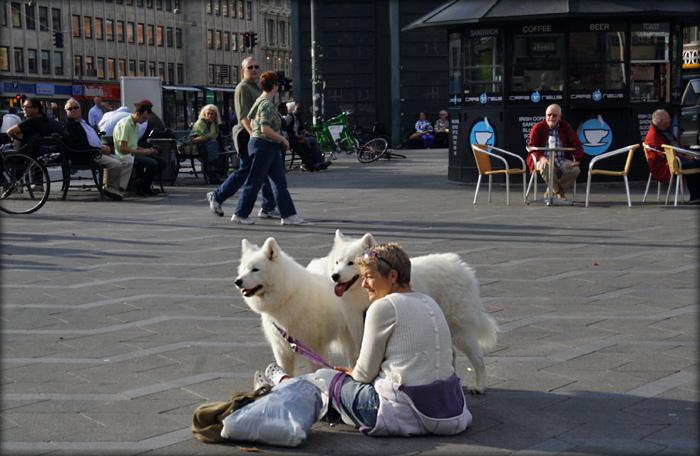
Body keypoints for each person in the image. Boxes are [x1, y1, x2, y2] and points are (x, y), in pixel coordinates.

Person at [255, 243, 471, 435]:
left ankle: (282, 386)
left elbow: (364, 375)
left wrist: (349, 373)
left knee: (324, 378)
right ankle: (284, 384)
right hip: (452, 411)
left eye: (369, 277)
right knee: (332, 379)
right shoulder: (429, 301)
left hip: (404, 413)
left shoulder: (383, 307)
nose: (365, 284)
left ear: (393, 276)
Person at [206, 56, 278, 220]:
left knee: (264, 169)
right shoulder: (242, 88)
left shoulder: (256, 88)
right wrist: (255, 135)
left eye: (256, 67)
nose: (253, 70)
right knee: (246, 170)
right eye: (249, 67)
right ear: (242, 71)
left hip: (256, 135)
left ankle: (268, 206)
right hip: (247, 135)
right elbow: (243, 116)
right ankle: (217, 196)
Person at [232, 71, 304, 225]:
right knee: (255, 181)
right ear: (275, 86)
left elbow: (251, 120)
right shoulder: (266, 105)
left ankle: (289, 215)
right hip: (264, 146)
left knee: (279, 181)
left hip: (264, 145)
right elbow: (265, 128)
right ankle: (240, 213)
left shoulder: (260, 100)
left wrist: (255, 134)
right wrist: (282, 139)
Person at [61, 98, 133, 201]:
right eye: (70, 108)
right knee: (115, 164)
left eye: (76, 107)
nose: (73, 110)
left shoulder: (83, 122)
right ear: (66, 111)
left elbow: (93, 139)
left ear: (80, 109)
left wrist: (103, 147)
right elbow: (77, 145)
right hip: (87, 155)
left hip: (97, 151)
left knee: (128, 160)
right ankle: (110, 188)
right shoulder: (69, 126)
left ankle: (118, 188)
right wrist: (99, 150)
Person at [527, 103, 583, 200]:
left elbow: (577, 144)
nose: (551, 117)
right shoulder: (538, 127)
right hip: (543, 159)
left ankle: (552, 190)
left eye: (554, 115)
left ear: (560, 117)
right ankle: (558, 192)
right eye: (549, 115)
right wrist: (541, 158)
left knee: (575, 170)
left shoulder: (565, 127)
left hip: (562, 160)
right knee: (545, 167)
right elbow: (532, 147)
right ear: (545, 116)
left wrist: (576, 159)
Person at [644, 109, 700, 204]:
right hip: (668, 164)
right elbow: (662, 155)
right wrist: (684, 155)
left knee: (696, 162)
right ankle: (695, 197)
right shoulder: (653, 136)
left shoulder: (663, 130)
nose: (670, 120)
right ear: (661, 121)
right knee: (694, 164)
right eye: (668, 119)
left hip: (676, 157)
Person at [112, 100, 161, 196]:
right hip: (124, 155)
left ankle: (143, 186)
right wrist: (143, 152)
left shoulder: (135, 125)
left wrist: (146, 150)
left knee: (161, 162)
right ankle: (140, 186)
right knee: (153, 163)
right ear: (137, 114)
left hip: (132, 153)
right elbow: (123, 149)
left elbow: (134, 145)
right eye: (144, 118)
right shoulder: (126, 124)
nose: (145, 121)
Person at [284, 101, 331, 172]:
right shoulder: (289, 117)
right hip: (290, 139)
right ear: (293, 109)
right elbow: (283, 128)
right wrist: (297, 136)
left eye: (301, 109)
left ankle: (319, 162)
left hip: (298, 138)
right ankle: (311, 165)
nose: (300, 111)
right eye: (298, 109)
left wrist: (307, 134)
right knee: (304, 144)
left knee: (312, 140)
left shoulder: (298, 118)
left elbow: (302, 130)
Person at [191, 104, 224, 184]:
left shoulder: (214, 124)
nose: (210, 116)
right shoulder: (200, 122)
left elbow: (211, 136)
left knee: (214, 145)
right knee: (212, 144)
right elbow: (209, 135)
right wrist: (212, 126)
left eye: (212, 114)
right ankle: (213, 174)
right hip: (197, 146)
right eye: (208, 113)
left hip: (208, 145)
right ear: (204, 113)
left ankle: (216, 173)